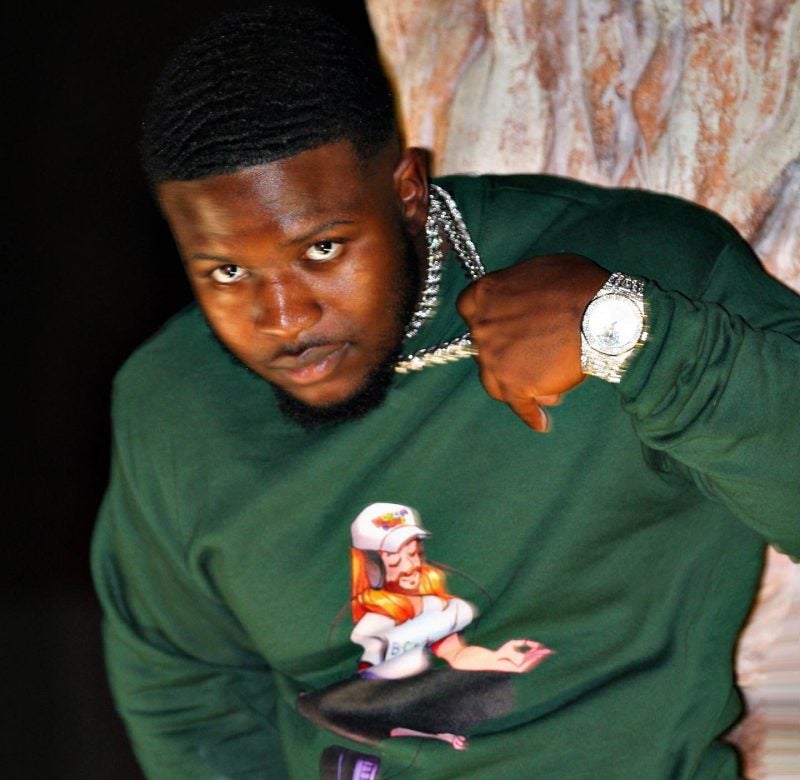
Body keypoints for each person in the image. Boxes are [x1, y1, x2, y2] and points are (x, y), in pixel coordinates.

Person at [90, 5, 800, 780]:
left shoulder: (641, 263)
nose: (284, 318)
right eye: (227, 271)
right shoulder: (175, 403)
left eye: (322, 250)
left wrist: (628, 335)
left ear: (407, 191)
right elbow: (188, 698)